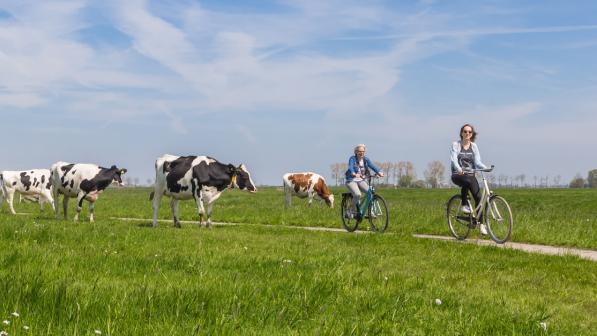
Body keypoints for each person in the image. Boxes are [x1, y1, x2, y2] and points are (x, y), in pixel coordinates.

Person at [450, 124, 489, 235]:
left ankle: (481, 224)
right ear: (461, 133)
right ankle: (464, 204)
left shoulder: (474, 146)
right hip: (458, 174)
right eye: (465, 131)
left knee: (479, 198)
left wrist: (485, 168)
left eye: (470, 132)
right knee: (466, 181)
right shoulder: (456, 145)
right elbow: (453, 159)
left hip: (471, 175)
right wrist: (458, 169)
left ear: (472, 134)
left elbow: (477, 162)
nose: (467, 134)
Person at [344, 144, 384, 219]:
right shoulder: (352, 159)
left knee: (370, 192)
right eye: (359, 151)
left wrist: (379, 172)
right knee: (358, 194)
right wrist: (353, 173)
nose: (361, 153)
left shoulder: (366, 159)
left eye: (363, 151)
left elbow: (372, 166)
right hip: (351, 180)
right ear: (356, 152)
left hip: (360, 180)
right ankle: (349, 210)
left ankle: (371, 211)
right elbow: (351, 167)